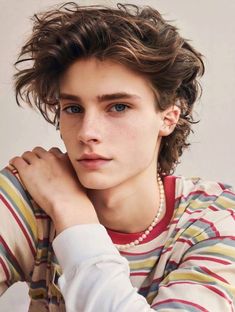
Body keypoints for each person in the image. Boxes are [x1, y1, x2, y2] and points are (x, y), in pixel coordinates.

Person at [1, 2, 235, 311]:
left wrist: (73, 214)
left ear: (168, 117)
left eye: (118, 107)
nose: (87, 132)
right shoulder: (35, 190)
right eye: (73, 108)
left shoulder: (214, 221)